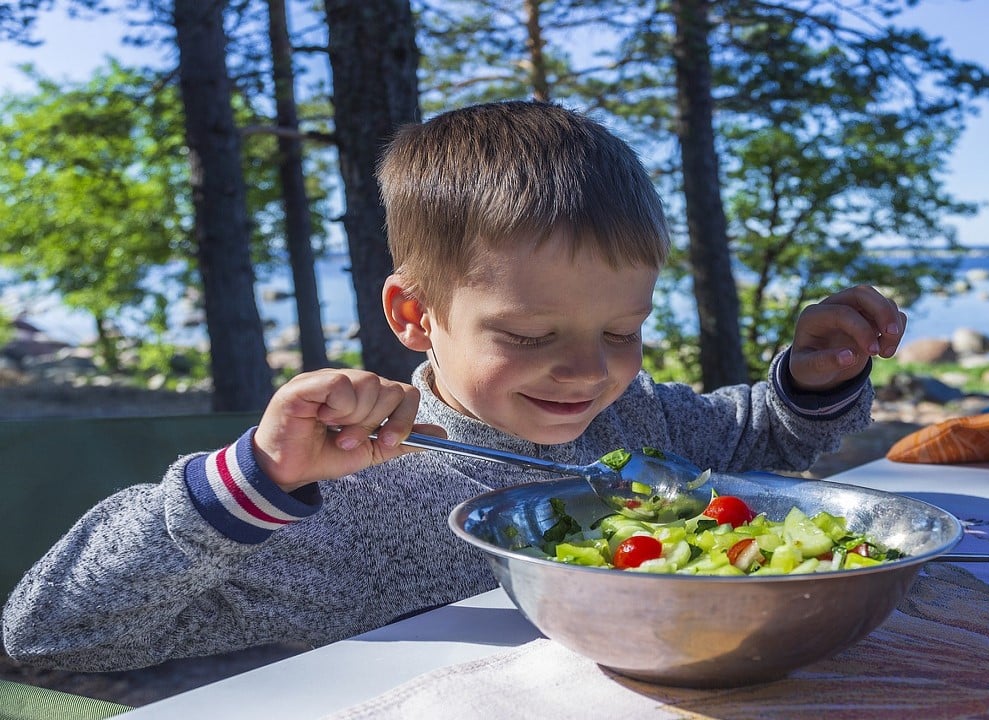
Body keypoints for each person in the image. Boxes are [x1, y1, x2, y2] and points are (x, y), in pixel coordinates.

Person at [2, 100, 906, 672]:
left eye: (623, 332)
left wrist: (810, 384)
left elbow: (758, 447)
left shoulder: (636, 422)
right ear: (413, 316)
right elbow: (50, 633)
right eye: (527, 335)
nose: (590, 370)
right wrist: (256, 486)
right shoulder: (344, 498)